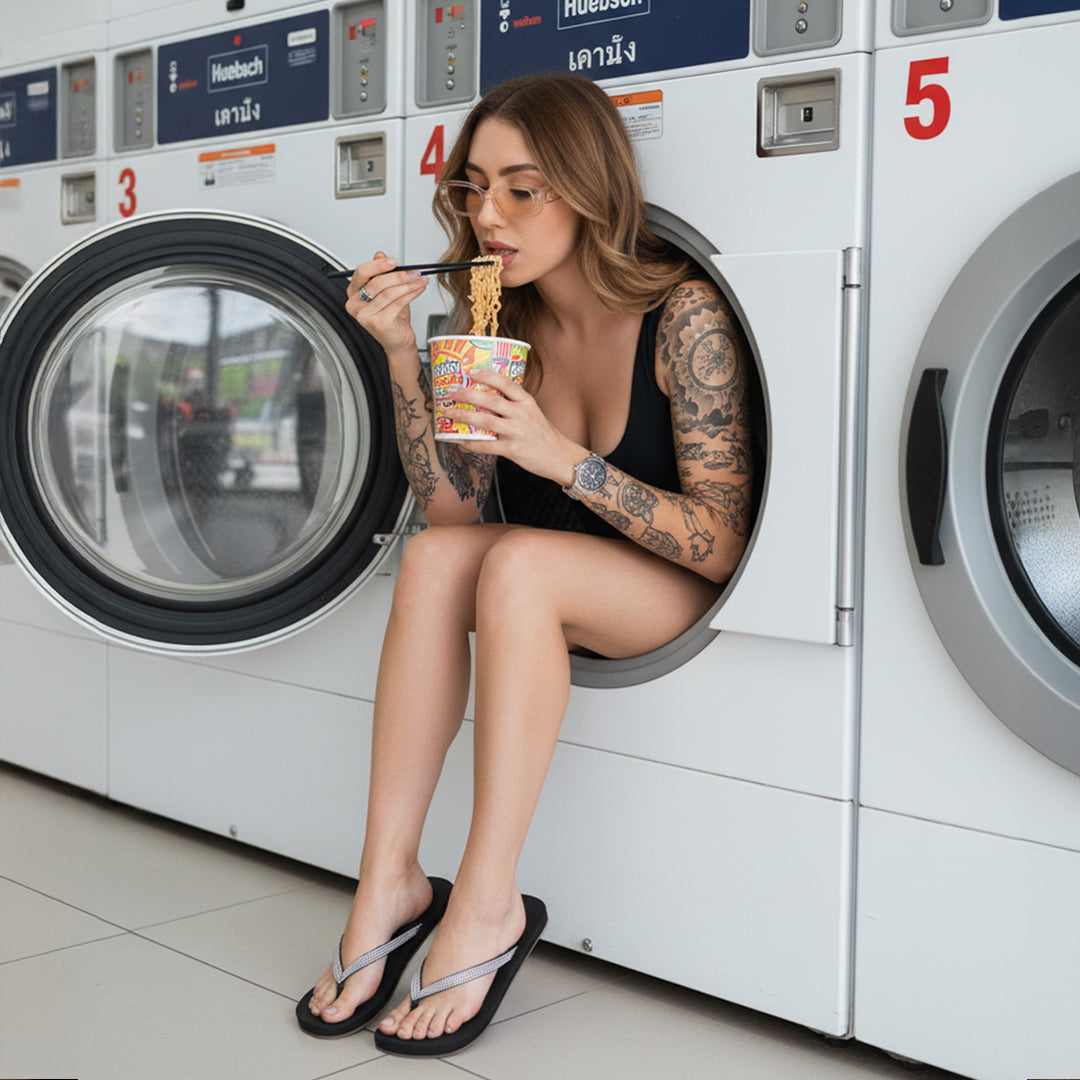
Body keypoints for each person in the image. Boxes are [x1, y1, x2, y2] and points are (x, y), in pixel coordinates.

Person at [296, 72, 755, 1056]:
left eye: (521, 188)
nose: (488, 215)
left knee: (518, 571)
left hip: (665, 585)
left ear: (590, 190)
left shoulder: (685, 315)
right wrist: (397, 357)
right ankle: (390, 880)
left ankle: (489, 901)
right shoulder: (491, 310)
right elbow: (455, 508)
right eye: (473, 187)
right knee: (430, 565)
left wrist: (562, 460)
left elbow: (721, 542)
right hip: (543, 572)